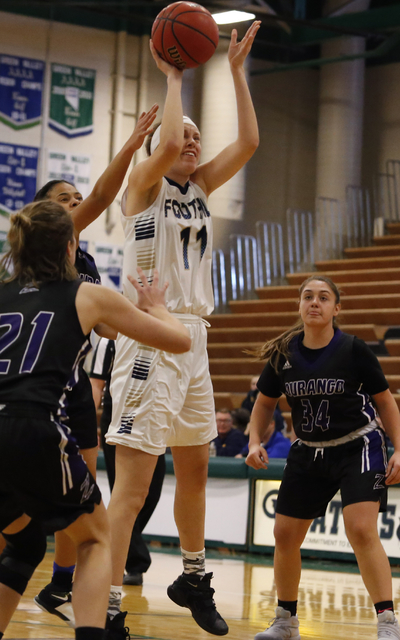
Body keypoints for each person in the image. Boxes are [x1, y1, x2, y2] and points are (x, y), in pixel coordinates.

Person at [105, 22, 260, 637]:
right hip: (148, 335)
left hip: (195, 338)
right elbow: (165, 145)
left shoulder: (198, 189)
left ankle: (193, 575)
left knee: (195, 465)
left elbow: (247, 142)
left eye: (198, 137)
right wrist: (173, 75)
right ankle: (112, 601)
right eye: (185, 135)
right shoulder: (142, 187)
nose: (191, 143)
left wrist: (237, 76)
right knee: (135, 485)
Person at [0, 200, 190, 640]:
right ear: (71, 248)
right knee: (94, 539)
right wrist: (156, 305)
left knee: (24, 544)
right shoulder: (87, 294)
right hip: (34, 425)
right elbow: (178, 341)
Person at [33, 106, 158, 625]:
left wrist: (132, 310)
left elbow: (105, 329)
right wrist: (131, 146)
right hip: (34, 386)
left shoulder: (82, 263)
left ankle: (61, 584)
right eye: (64, 201)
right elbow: (107, 197)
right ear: (42, 215)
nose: (74, 207)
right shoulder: (37, 247)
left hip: (76, 384)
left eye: (76, 201)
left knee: (85, 495)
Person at [246, 275, 400, 640]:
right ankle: (286, 621)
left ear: (336, 308)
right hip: (310, 451)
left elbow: (385, 402)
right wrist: (254, 441)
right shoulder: (284, 354)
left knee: (360, 529)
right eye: (308, 297)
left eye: (324, 297)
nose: (315, 303)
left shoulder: (353, 349)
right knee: (284, 534)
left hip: (357, 445)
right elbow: (264, 404)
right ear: (299, 306)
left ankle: (388, 623)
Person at [90, 337, 165, 586]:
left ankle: (114, 544)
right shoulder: (107, 341)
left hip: (154, 412)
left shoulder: (156, 330)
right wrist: (88, 426)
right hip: (119, 415)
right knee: (125, 492)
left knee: (151, 494)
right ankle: (134, 562)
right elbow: (96, 384)